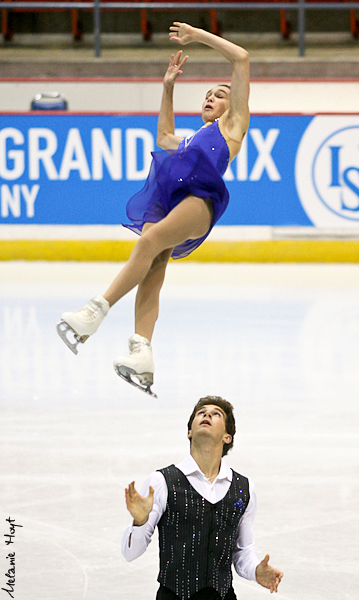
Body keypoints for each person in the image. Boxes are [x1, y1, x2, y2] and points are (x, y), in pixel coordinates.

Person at [57, 22, 250, 396]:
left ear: (233, 104)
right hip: (175, 199)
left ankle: (95, 311)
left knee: (149, 243)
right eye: (208, 94)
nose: (211, 97)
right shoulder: (195, 136)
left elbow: (241, 59)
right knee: (154, 264)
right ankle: (141, 351)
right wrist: (168, 88)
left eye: (221, 94)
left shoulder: (233, 125)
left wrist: (198, 36)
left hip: (200, 201)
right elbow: (164, 138)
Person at [122, 396, 283, 599]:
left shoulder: (243, 488)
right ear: (189, 432)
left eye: (216, 414)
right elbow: (130, 554)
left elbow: (243, 549)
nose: (207, 414)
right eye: (201, 413)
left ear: (227, 436)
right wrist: (140, 521)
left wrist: (255, 571)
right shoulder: (162, 482)